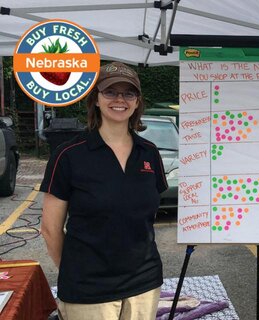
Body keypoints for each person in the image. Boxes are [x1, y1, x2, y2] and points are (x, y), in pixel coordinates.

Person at [40, 61, 168, 319]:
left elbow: (144, 217)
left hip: (143, 285)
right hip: (88, 291)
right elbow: (50, 229)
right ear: (96, 100)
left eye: (128, 93)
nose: (119, 99)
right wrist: (74, 271)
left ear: (136, 102)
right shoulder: (69, 155)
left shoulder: (150, 152)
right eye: (110, 92)